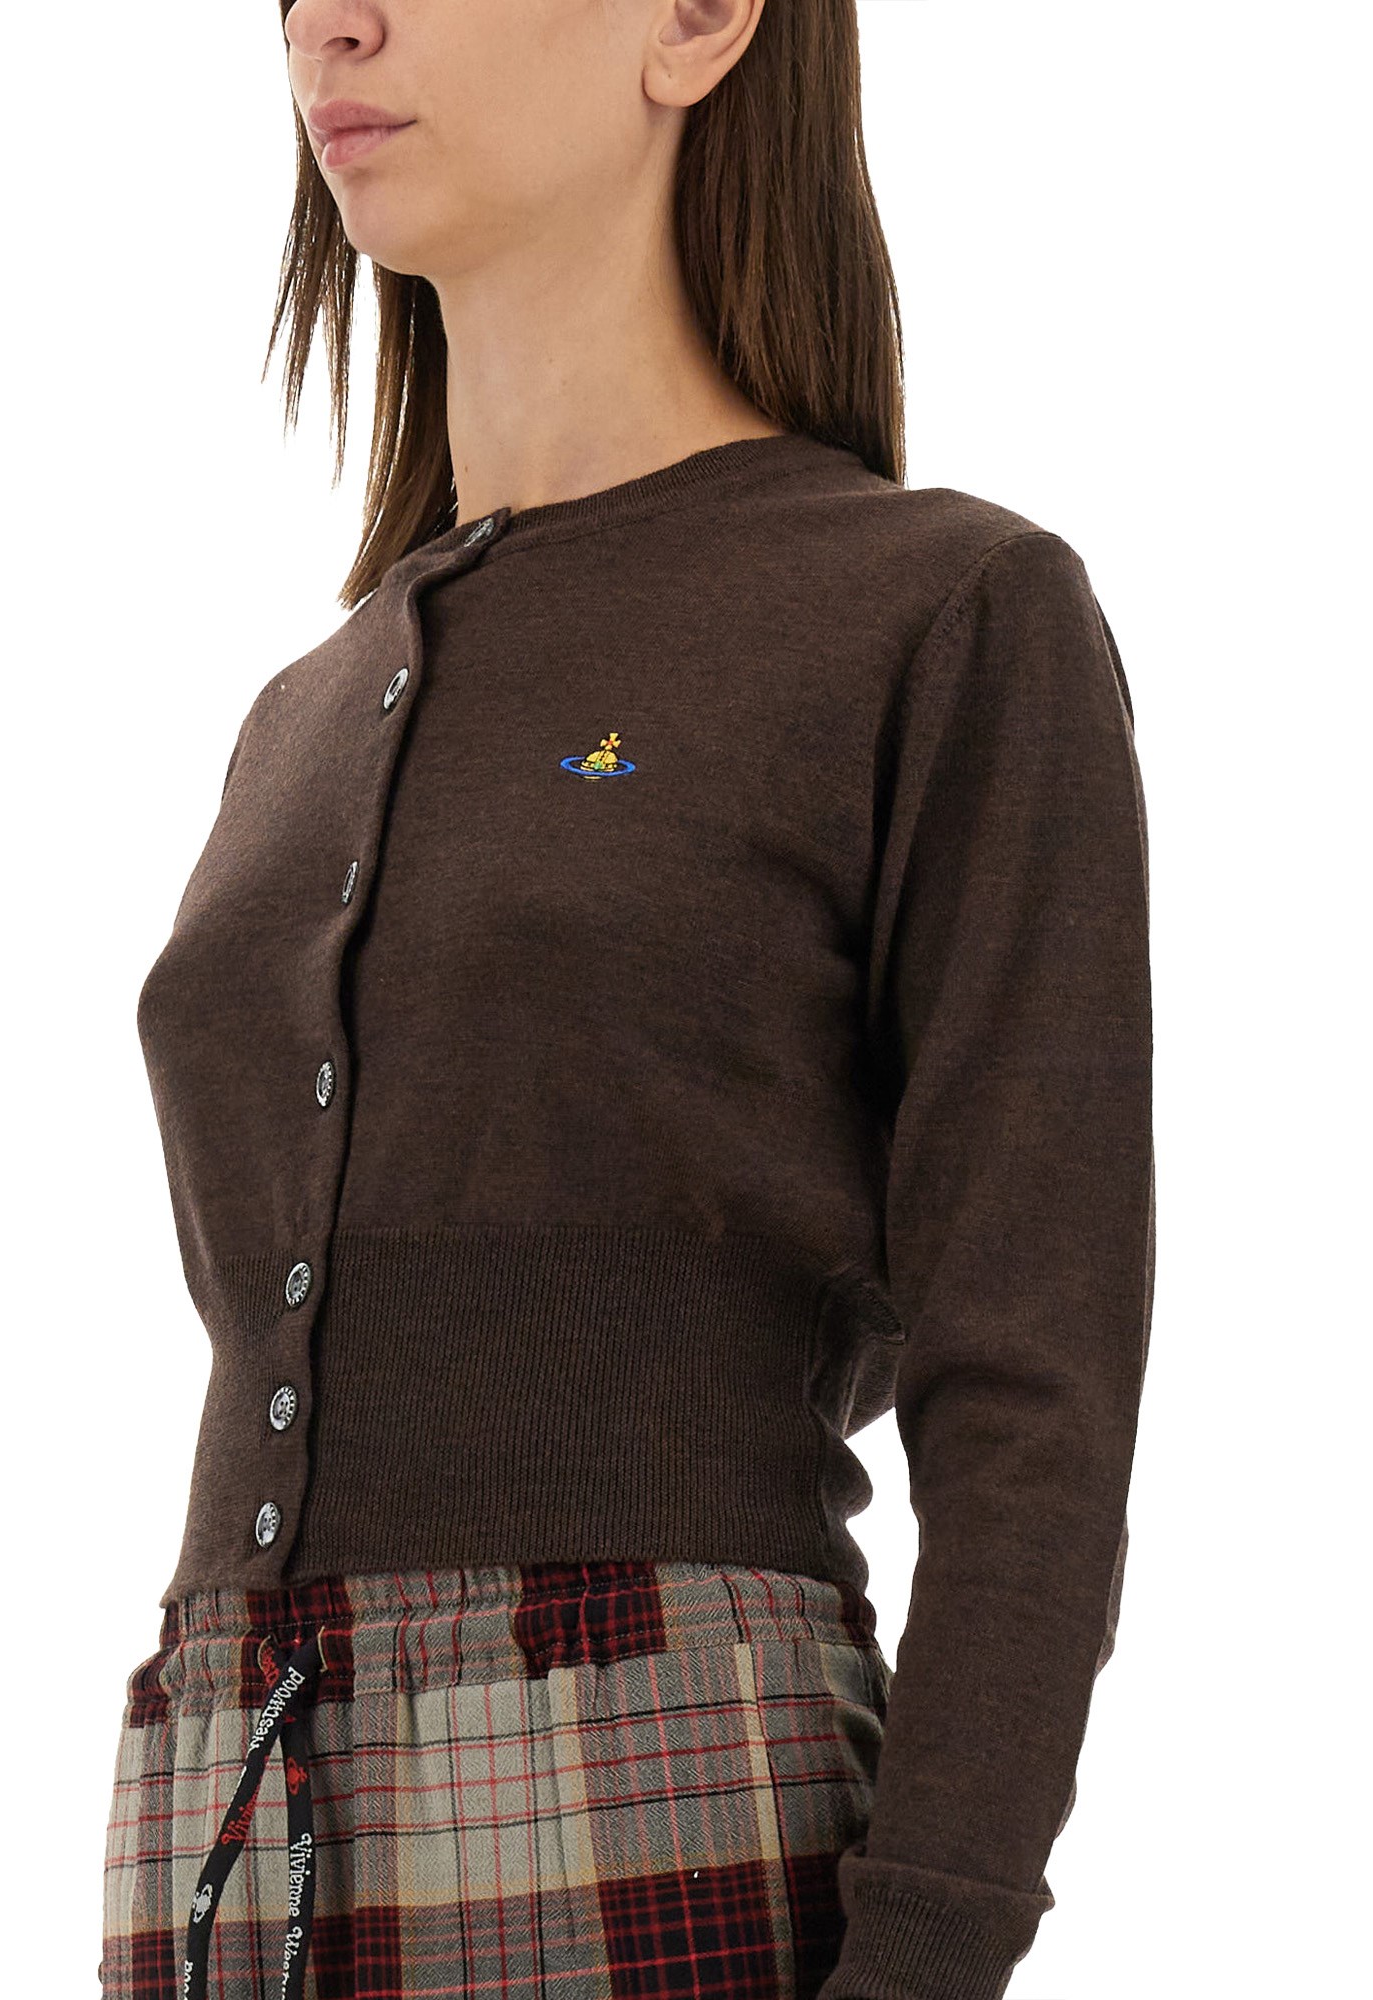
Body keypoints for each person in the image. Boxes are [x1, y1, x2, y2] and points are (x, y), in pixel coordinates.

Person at [99, 0, 1155, 1995]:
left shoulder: (939, 614)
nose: (330, 21)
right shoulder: (302, 716)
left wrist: (924, 1958)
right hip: (222, 1801)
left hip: (652, 1786)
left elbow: (1036, 1396)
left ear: (697, 21)